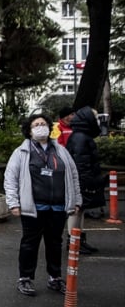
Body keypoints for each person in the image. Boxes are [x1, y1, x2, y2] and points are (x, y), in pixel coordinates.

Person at [3, 113, 82, 296]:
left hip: (58, 207)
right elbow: (10, 178)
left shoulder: (61, 151)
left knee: (55, 243)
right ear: (29, 131)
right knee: (30, 244)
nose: (40, 127)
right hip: (34, 207)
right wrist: (13, 203)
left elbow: (73, 176)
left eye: (43, 123)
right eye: (36, 124)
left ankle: (55, 277)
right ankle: (25, 278)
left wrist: (76, 200)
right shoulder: (22, 152)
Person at [65, 106, 105, 255]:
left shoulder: (81, 136)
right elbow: (81, 164)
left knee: (79, 211)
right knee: (76, 211)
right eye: (95, 118)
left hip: (81, 180)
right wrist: (87, 183)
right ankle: (73, 241)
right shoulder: (81, 138)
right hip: (80, 181)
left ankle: (78, 240)